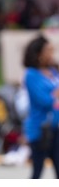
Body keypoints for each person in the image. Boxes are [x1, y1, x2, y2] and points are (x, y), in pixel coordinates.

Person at [22, 34, 59, 178]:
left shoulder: (53, 71)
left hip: (55, 128)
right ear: (39, 54)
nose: (51, 54)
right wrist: (55, 95)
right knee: (38, 169)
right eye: (48, 50)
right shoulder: (31, 75)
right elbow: (44, 101)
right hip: (39, 129)